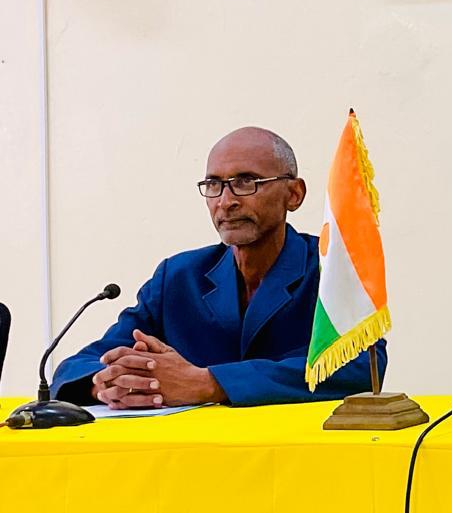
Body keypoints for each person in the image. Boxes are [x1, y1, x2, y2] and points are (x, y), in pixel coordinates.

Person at [52, 127, 387, 408]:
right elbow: (75, 367)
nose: (226, 201)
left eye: (246, 182)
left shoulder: (330, 268)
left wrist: (210, 383)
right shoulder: (177, 277)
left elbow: (361, 368)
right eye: (214, 185)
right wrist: (107, 385)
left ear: (294, 194)